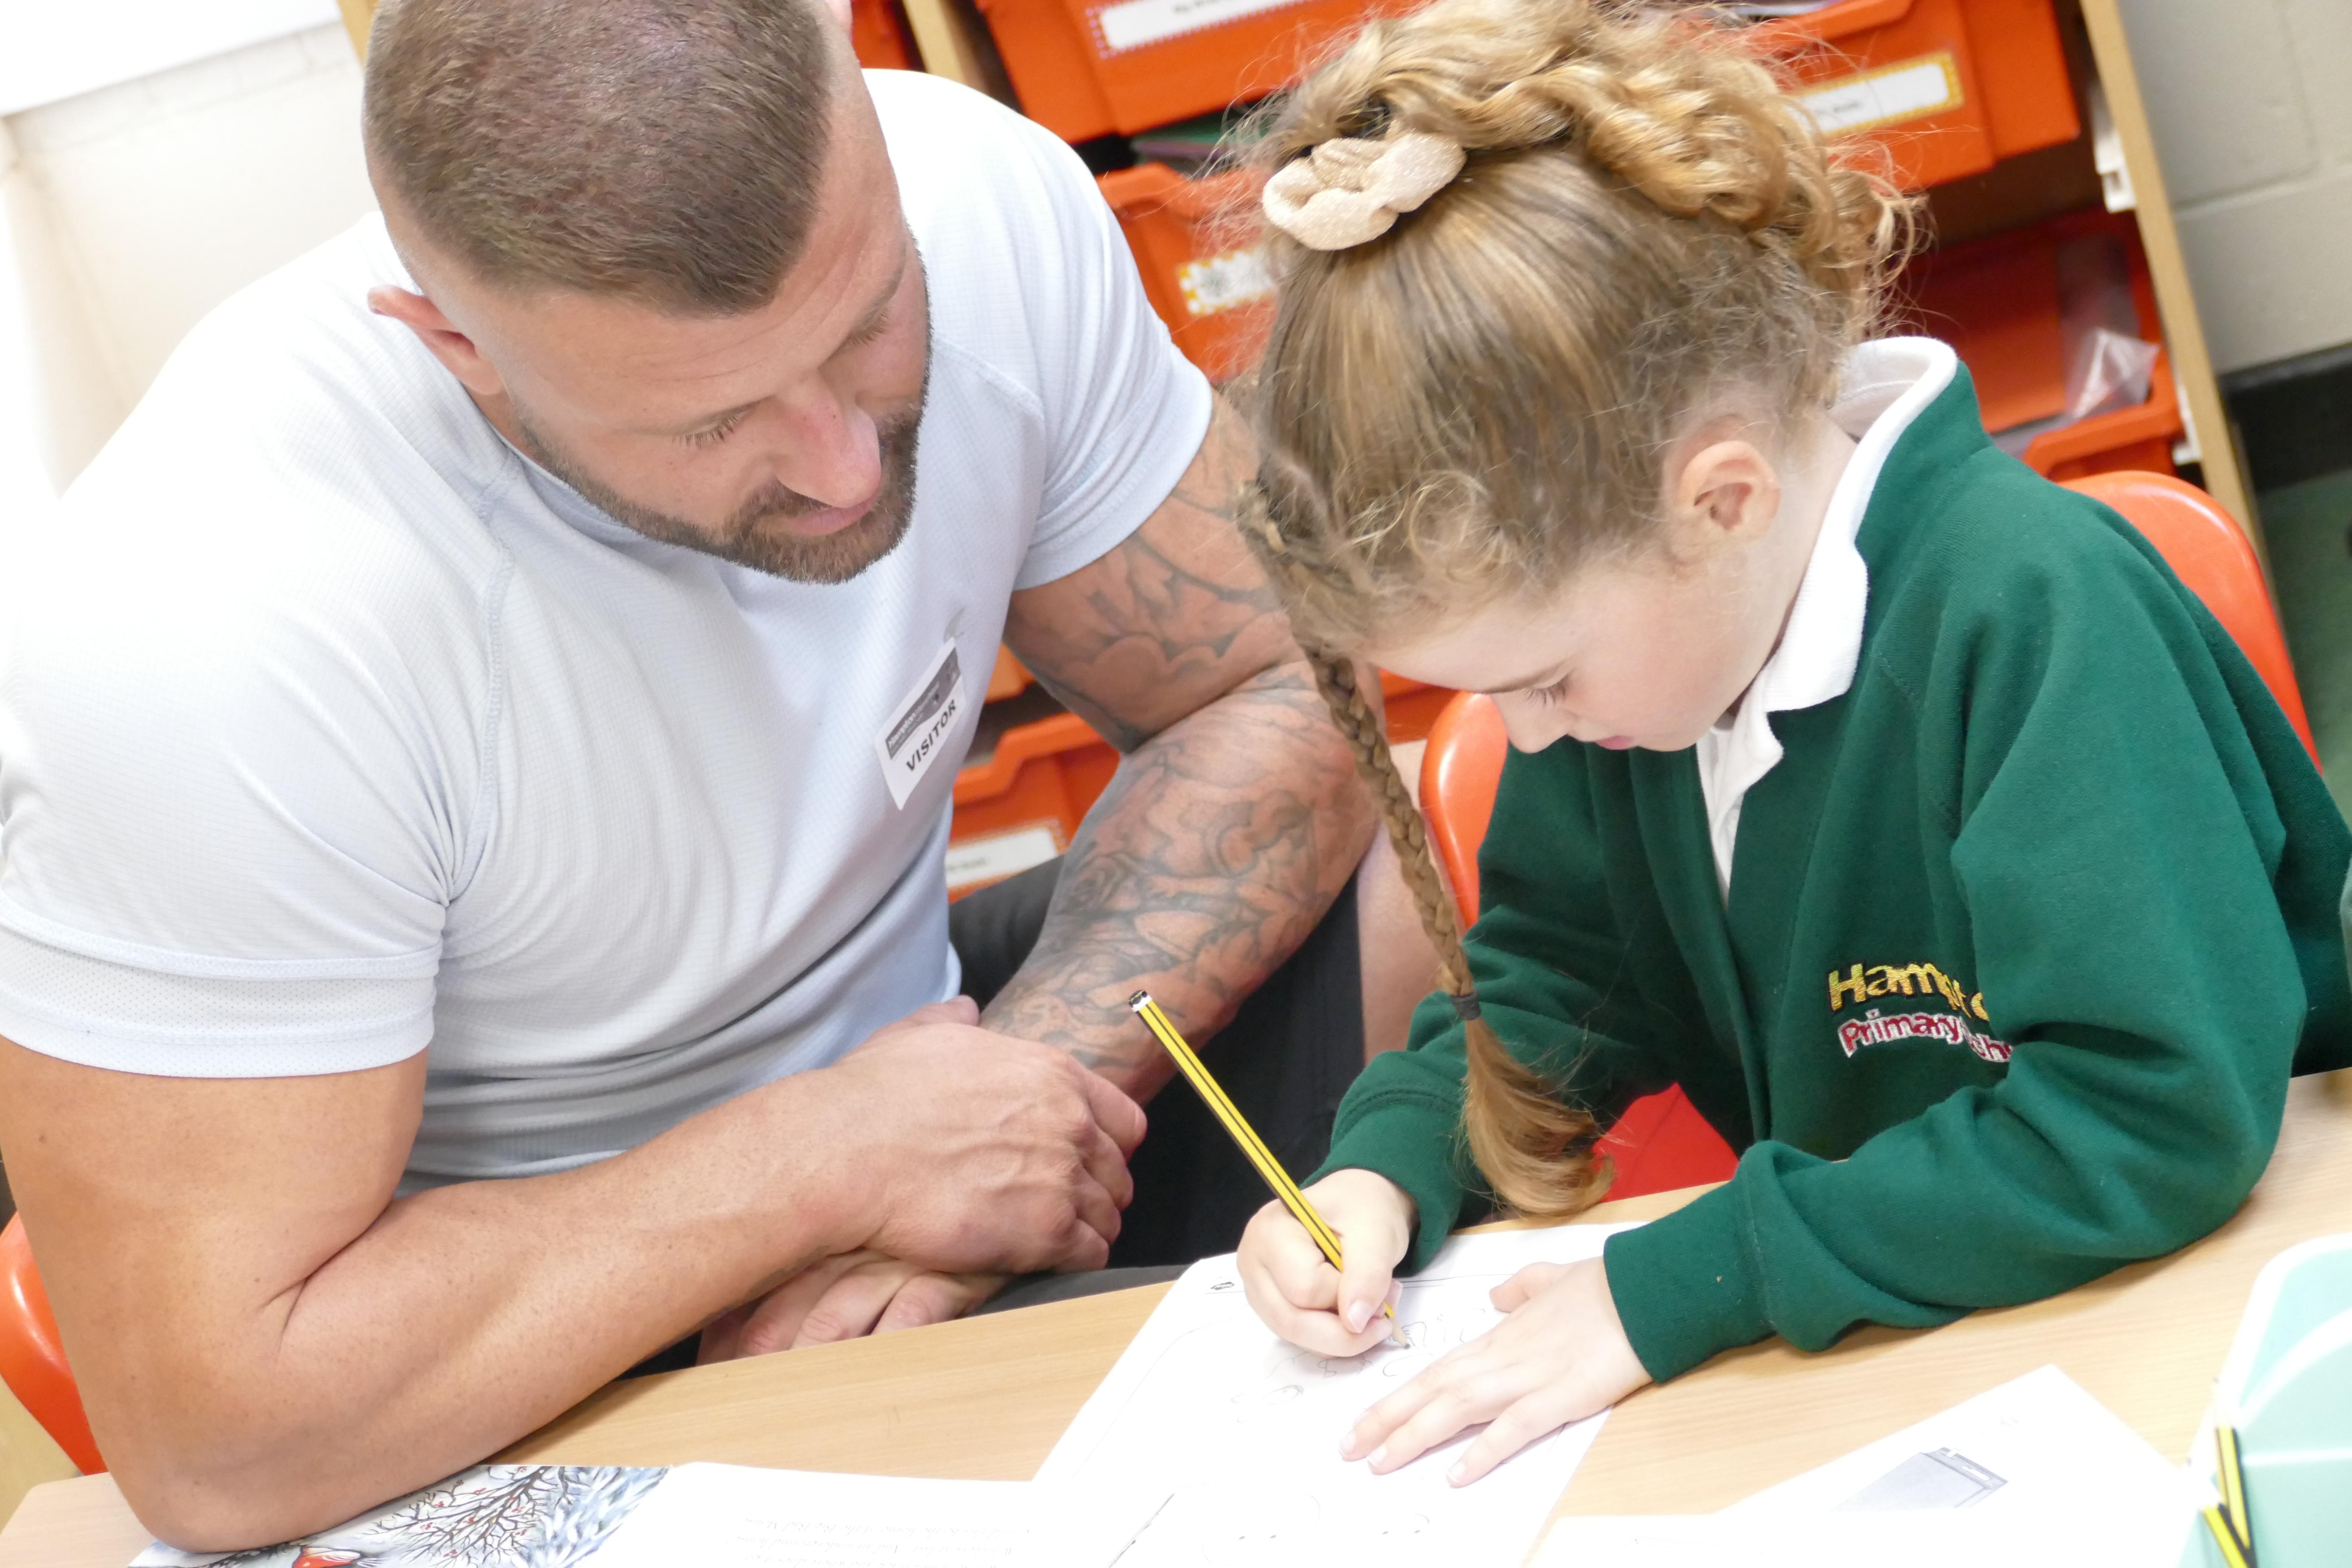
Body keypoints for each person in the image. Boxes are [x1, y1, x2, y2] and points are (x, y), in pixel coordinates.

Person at [0, 0, 1440, 1550]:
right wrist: (827, 1165)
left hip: (942, 1068)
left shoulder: (975, 191)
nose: (843, 464)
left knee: (1400, 858)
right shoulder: (207, 625)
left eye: (867, 320)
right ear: (460, 352)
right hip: (525, 1315)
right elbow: (212, 1438)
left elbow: (1280, 681)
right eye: (715, 419)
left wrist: (1011, 1108)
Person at [1231, 0, 2352, 1490]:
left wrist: (1703, 1277)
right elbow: (1561, 979)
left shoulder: (2034, 615)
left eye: (1544, 680)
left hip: (2212, 1326)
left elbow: (2152, 1117)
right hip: (1930, 1349)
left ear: (1722, 502)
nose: (1527, 733)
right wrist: (1388, 1162)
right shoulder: (1659, 645)